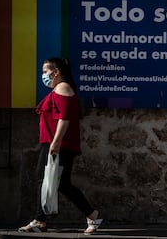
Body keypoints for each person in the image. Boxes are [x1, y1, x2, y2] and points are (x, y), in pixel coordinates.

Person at [18, 57, 103, 234]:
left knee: (43, 178)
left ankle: (39, 220)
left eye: (45, 71)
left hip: (58, 144)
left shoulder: (62, 87)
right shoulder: (60, 88)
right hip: (57, 143)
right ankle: (92, 215)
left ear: (56, 72)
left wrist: (55, 142)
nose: (43, 75)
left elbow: (64, 118)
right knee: (62, 184)